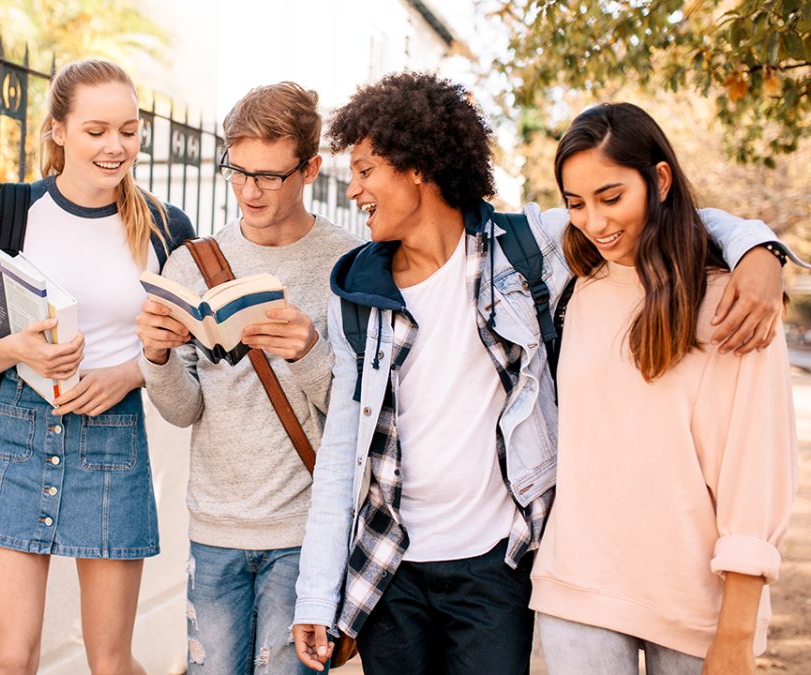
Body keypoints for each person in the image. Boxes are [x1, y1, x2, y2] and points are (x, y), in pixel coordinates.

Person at [290, 72, 787, 674]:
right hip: (388, 560)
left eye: (365, 169)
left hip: (498, 561)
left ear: (417, 165)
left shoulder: (526, 251)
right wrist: (317, 594)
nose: (353, 189)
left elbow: (663, 212)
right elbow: (343, 451)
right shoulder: (357, 293)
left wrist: (758, 250)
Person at [529, 102, 797, 675]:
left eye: (611, 197)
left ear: (661, 180)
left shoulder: (737, 302)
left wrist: (736, 631)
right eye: (576, 203)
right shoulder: (575, 288)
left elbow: (755, 473)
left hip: (697, 605)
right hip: (577, 587)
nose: (594, 222)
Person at [0, 59, 194, 675]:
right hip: (19, 433)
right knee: (12, 659)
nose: (116, 146)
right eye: (96, 130)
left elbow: (191, 348)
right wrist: (20, 349)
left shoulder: (167, 228)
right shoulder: (12, 211)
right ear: (58, 130)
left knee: (110, 662)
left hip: (113, 439)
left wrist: (129, 374)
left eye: (129, 130)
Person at [134, 82, 361, 674]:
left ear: (309, 169)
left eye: (268, 176)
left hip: (305, 535)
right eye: (237, 171)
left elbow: (362, 414)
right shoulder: (192, 263)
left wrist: (309, 352)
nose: (249, 191)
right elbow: (183, 410)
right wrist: (156, 358)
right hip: (214, 530)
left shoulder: (348, 263)